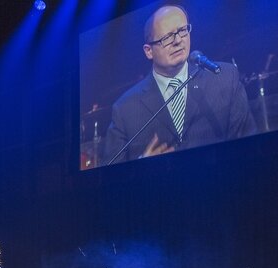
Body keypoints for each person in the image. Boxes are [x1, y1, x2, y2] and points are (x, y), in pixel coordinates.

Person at [104, 4, 256, 163]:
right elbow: (108, 177)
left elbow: (250, 147)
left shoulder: (224, 78)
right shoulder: (125, 109)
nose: (178, 41)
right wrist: (140, 167)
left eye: (182, 31)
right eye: (167, 37)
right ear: (149, 51)